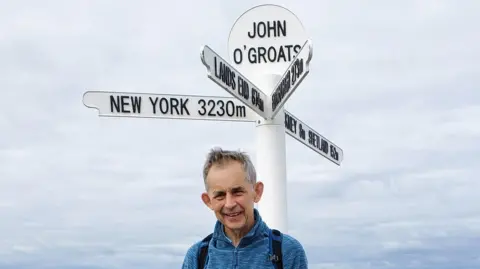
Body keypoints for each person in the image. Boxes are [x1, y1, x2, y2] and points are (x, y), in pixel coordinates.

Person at [182, 147, 308, 269]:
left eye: (237, 192)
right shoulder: (197, 257)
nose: (229, 204)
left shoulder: (287, 251)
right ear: (208, 201)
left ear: (257, 192)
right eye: (220, 195)